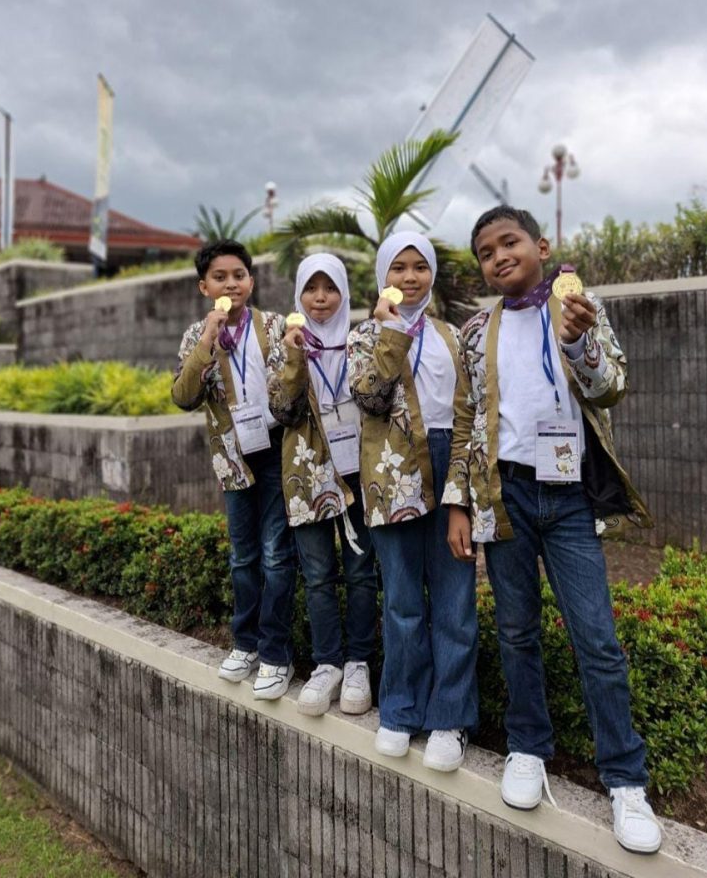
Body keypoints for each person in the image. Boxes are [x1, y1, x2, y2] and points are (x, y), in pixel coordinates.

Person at [444, 206, 661, 854]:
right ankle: (527, 747)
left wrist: (576, 343)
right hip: (504, 492)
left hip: (566, 497)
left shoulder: (577, 305)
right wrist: (458, 503)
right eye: (486, 252)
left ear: (540, 246)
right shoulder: (476, 331)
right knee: (516, 631)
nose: (498, 257)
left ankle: (625, 779)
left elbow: (611, 388)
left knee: (596, 638)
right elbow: (465, 419)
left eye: (509, 242)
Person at [347, 232, 478, 771]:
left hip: (449, 461)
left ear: (432, 275)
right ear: (383, 275)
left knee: (454, 598)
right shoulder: (364, 335)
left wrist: (462, 492)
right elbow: (369, 396)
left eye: (419, 267)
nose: (409, 277)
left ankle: (451, 716)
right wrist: (392, 332)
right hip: (390, 469)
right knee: (401, 600)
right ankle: (400, 708)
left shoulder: (454, 336)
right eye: (398, 267)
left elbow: (471, 416)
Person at [172, 239, 296, 700]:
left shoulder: (275, 326)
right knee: (243, 557)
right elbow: (184, 396)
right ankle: (245, 644)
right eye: (220, 277)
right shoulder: (196, 335)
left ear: (251, 281)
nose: (231, 284)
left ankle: (276, 653)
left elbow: (290, 389)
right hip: (233, 457)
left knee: (276, 555)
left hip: (277, 452)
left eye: (238, 275)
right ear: (204, 287)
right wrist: (208, 339)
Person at [267, 253, 377, 717]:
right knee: (316, 574)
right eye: (311, 289)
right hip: (307, 471)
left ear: (343, 293)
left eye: (330, 288)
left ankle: (359, 663)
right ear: (298, 295)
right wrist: (295, 356)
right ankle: (327, 662)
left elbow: (378, 398)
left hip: (359, 469)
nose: (320, 298)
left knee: (361, 570)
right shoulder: (284, 346)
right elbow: (283, 410)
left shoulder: (360, 341)